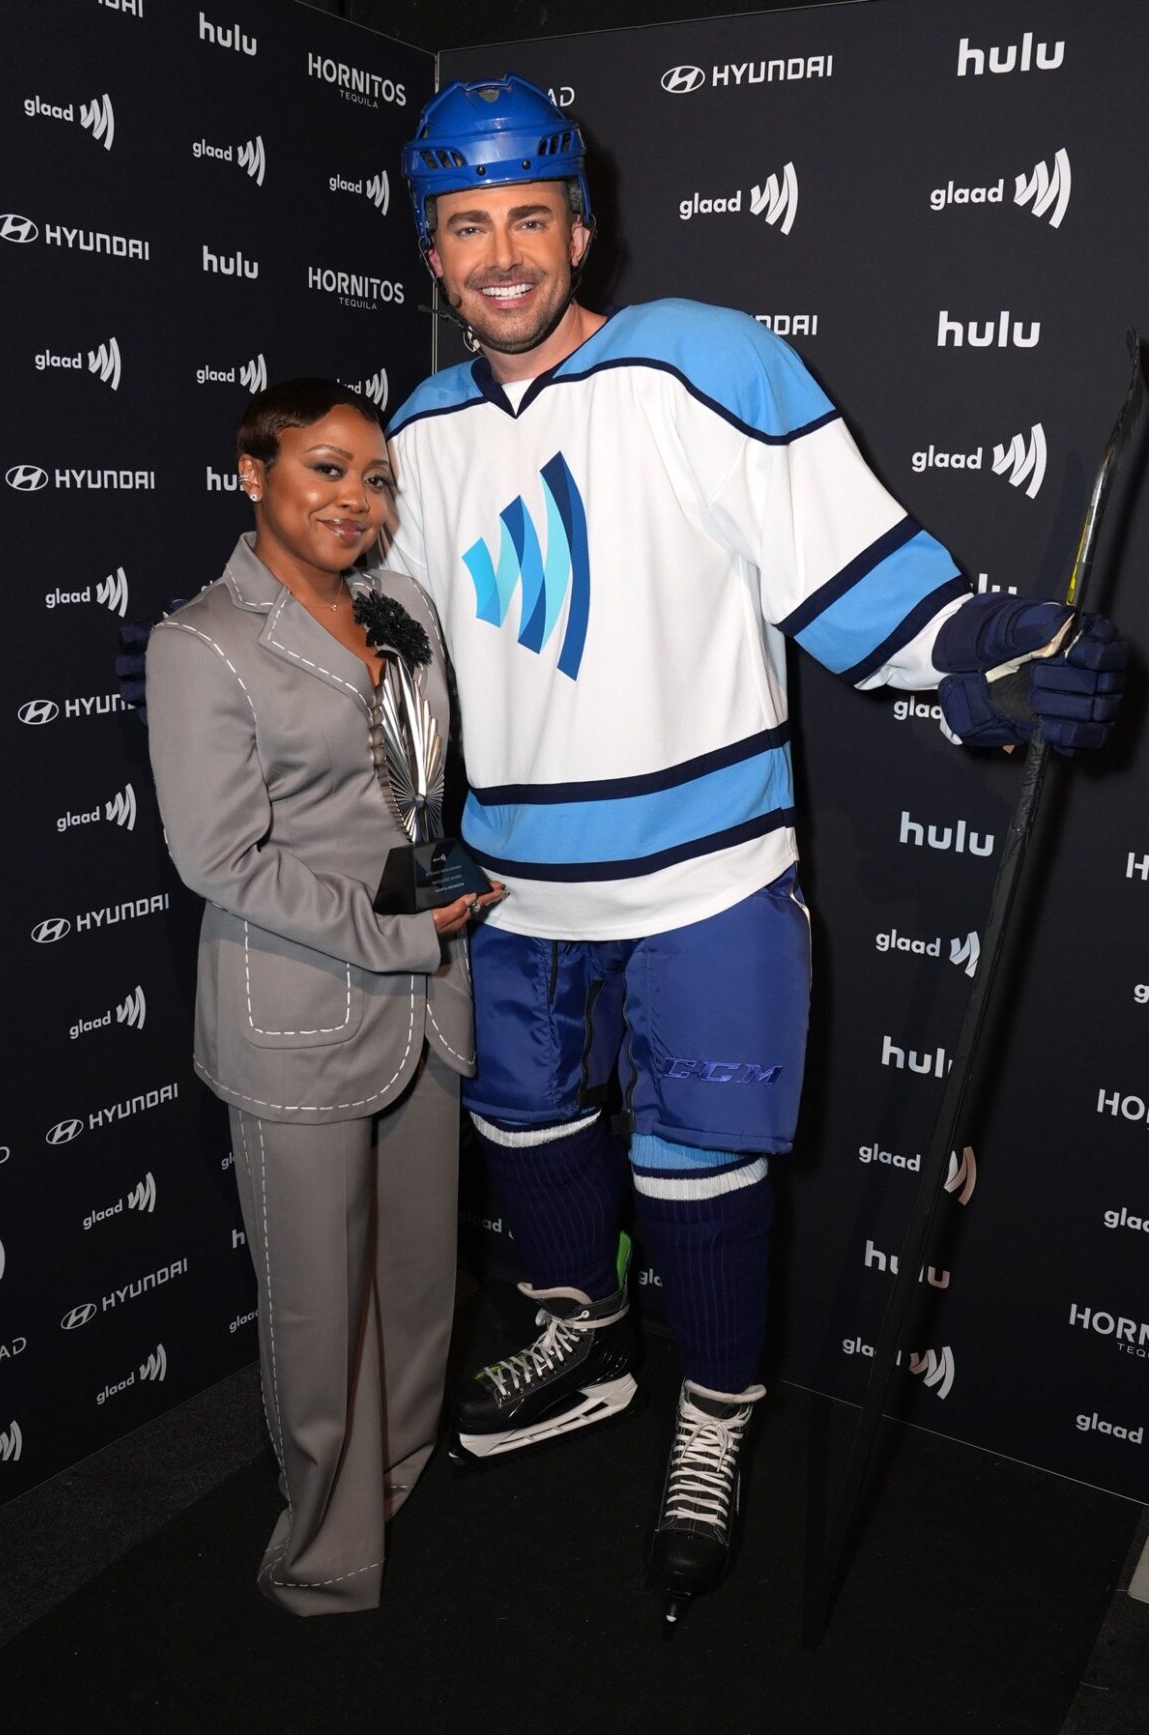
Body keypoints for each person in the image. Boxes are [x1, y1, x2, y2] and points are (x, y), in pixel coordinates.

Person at [386, 77, 1128, 1619]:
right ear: (435, 253)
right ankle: (582, 1334)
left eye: (531, 217)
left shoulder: (708, 361)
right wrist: (255, 657)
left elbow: (865, 586)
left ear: (582, 228)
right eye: (469, 227)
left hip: (707, 876)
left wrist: (999, 657)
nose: (504, 253)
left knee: (701, 1169)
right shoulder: (419, 427)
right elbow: (392, 645)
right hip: (514, 887)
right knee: (528, 1132)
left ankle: (712, 1417)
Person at [145, 379, 503, 1615]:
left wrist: (451, 892)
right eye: (327, 470)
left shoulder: (399, 605)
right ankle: (327, 1551)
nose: (359, 499)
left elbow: (420, 786)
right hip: (299, 1007)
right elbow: (217, 858)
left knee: (414, 1278)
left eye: (376, 477)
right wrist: (395, 932)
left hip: (427, 996)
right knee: (314, 1297)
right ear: (253, 473)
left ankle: (397, 1474)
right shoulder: (202, 642)